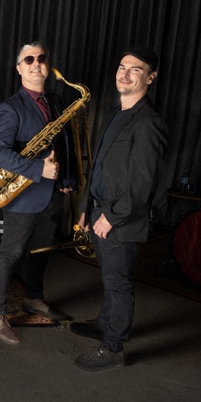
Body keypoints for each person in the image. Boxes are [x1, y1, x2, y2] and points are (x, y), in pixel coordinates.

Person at [71, 47, 168, 371]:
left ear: (150, 78)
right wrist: (86, 207)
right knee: (109, 276)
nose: (124, 74)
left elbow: (142, 185)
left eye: (135, 69)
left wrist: (110, 218)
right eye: (122, 67)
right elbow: (98, 167)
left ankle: (113, 348)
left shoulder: (150, 123)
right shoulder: (116, 113)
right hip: (99, 212)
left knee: (119, 283)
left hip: (119, 220)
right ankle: (104, 323)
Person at [0, 41, 78, 344]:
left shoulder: (58, 101)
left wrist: (68, 177)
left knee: (41, 249)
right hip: (23, 195)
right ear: (19, 68)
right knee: (10, 253)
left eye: (41, 58)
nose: (36, 63)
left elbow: (66, 143)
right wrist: (39, 169)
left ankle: (34, 298)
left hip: (53, 192)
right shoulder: (10, 107)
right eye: (29, 59)